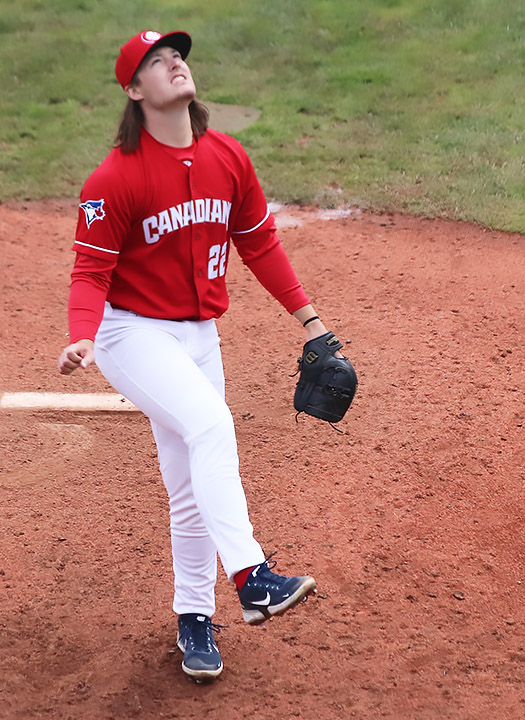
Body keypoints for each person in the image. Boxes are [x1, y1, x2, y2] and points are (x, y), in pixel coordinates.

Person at [57, 29, 345, 682]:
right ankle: (253, 577)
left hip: (197, 335)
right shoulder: (116, 176)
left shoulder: (226, 158)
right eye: (156, 62)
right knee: (213, 425)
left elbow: (260, 244)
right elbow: (89, 272)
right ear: (135, 91)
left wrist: (313, 324)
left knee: (189, 485)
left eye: (177, 55)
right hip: (131, 336)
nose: (174, 63)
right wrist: (81, 332)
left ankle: (194, 620)